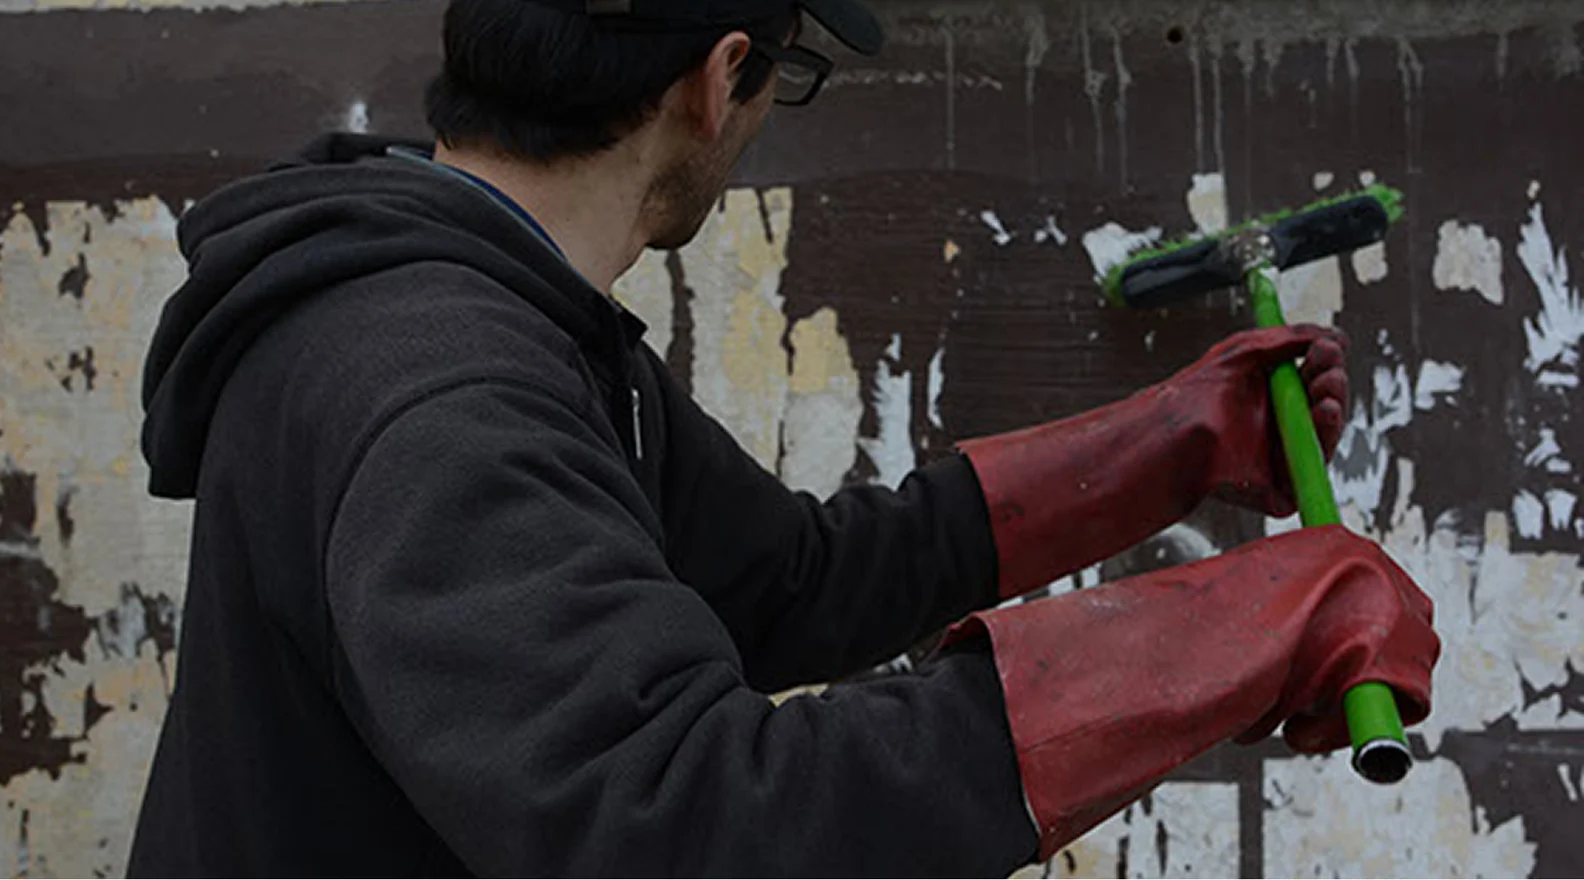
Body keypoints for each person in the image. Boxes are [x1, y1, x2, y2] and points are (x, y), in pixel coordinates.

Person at [128, 0, 1440, 875]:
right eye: (785, 78)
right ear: (721, 80)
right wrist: (1225, 636)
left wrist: (1170, 446)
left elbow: (790, 583)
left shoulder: (510, 324)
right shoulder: (443, 391)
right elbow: (695, 825)